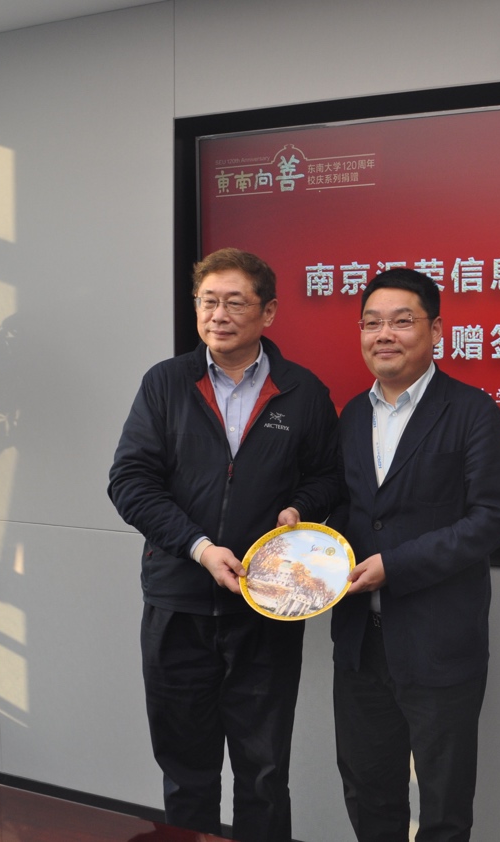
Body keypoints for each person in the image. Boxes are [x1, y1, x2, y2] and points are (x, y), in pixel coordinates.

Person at [108, 248, 342, 842]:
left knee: (264, 773)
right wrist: (198, 546)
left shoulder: (304, 392)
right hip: (178, 602)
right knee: (186, 771)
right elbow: (130, 482)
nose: (218, 314)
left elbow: (329, 478)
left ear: (269, 312)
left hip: (265, 608)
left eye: (235, 302)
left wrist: (301, 508)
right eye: (208, 301)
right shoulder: (165, 384)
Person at [330, 268, 500, 842]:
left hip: (438, 643)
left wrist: (396, 566)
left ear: (436, 330)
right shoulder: (352, 414)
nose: (384, 334)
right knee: (368, 794)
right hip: (361, 644)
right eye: (372, 323)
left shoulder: (472, 411)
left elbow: (492, 518)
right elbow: (347, 508)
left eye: (401, 321)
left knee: (442, 808)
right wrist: (304, 531)